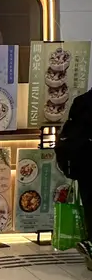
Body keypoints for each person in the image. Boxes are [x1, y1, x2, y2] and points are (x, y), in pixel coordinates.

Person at [56, 90, 92, 235]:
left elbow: (72, 133)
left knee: (90, 205)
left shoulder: (82, 101)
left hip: (86, 163)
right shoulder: (82, 101)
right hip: (86, 161)